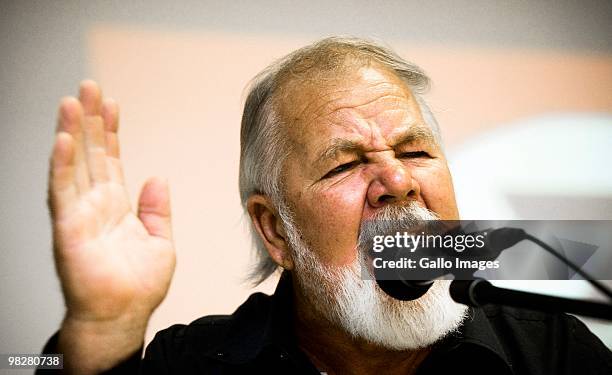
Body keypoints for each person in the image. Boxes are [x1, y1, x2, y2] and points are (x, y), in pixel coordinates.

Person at [41, 37, 611, 374]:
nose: (396, 179)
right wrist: (100, 331)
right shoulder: (196, 363)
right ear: (276, 231)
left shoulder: (551, 351)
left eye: (415, 151)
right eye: (344, 165)